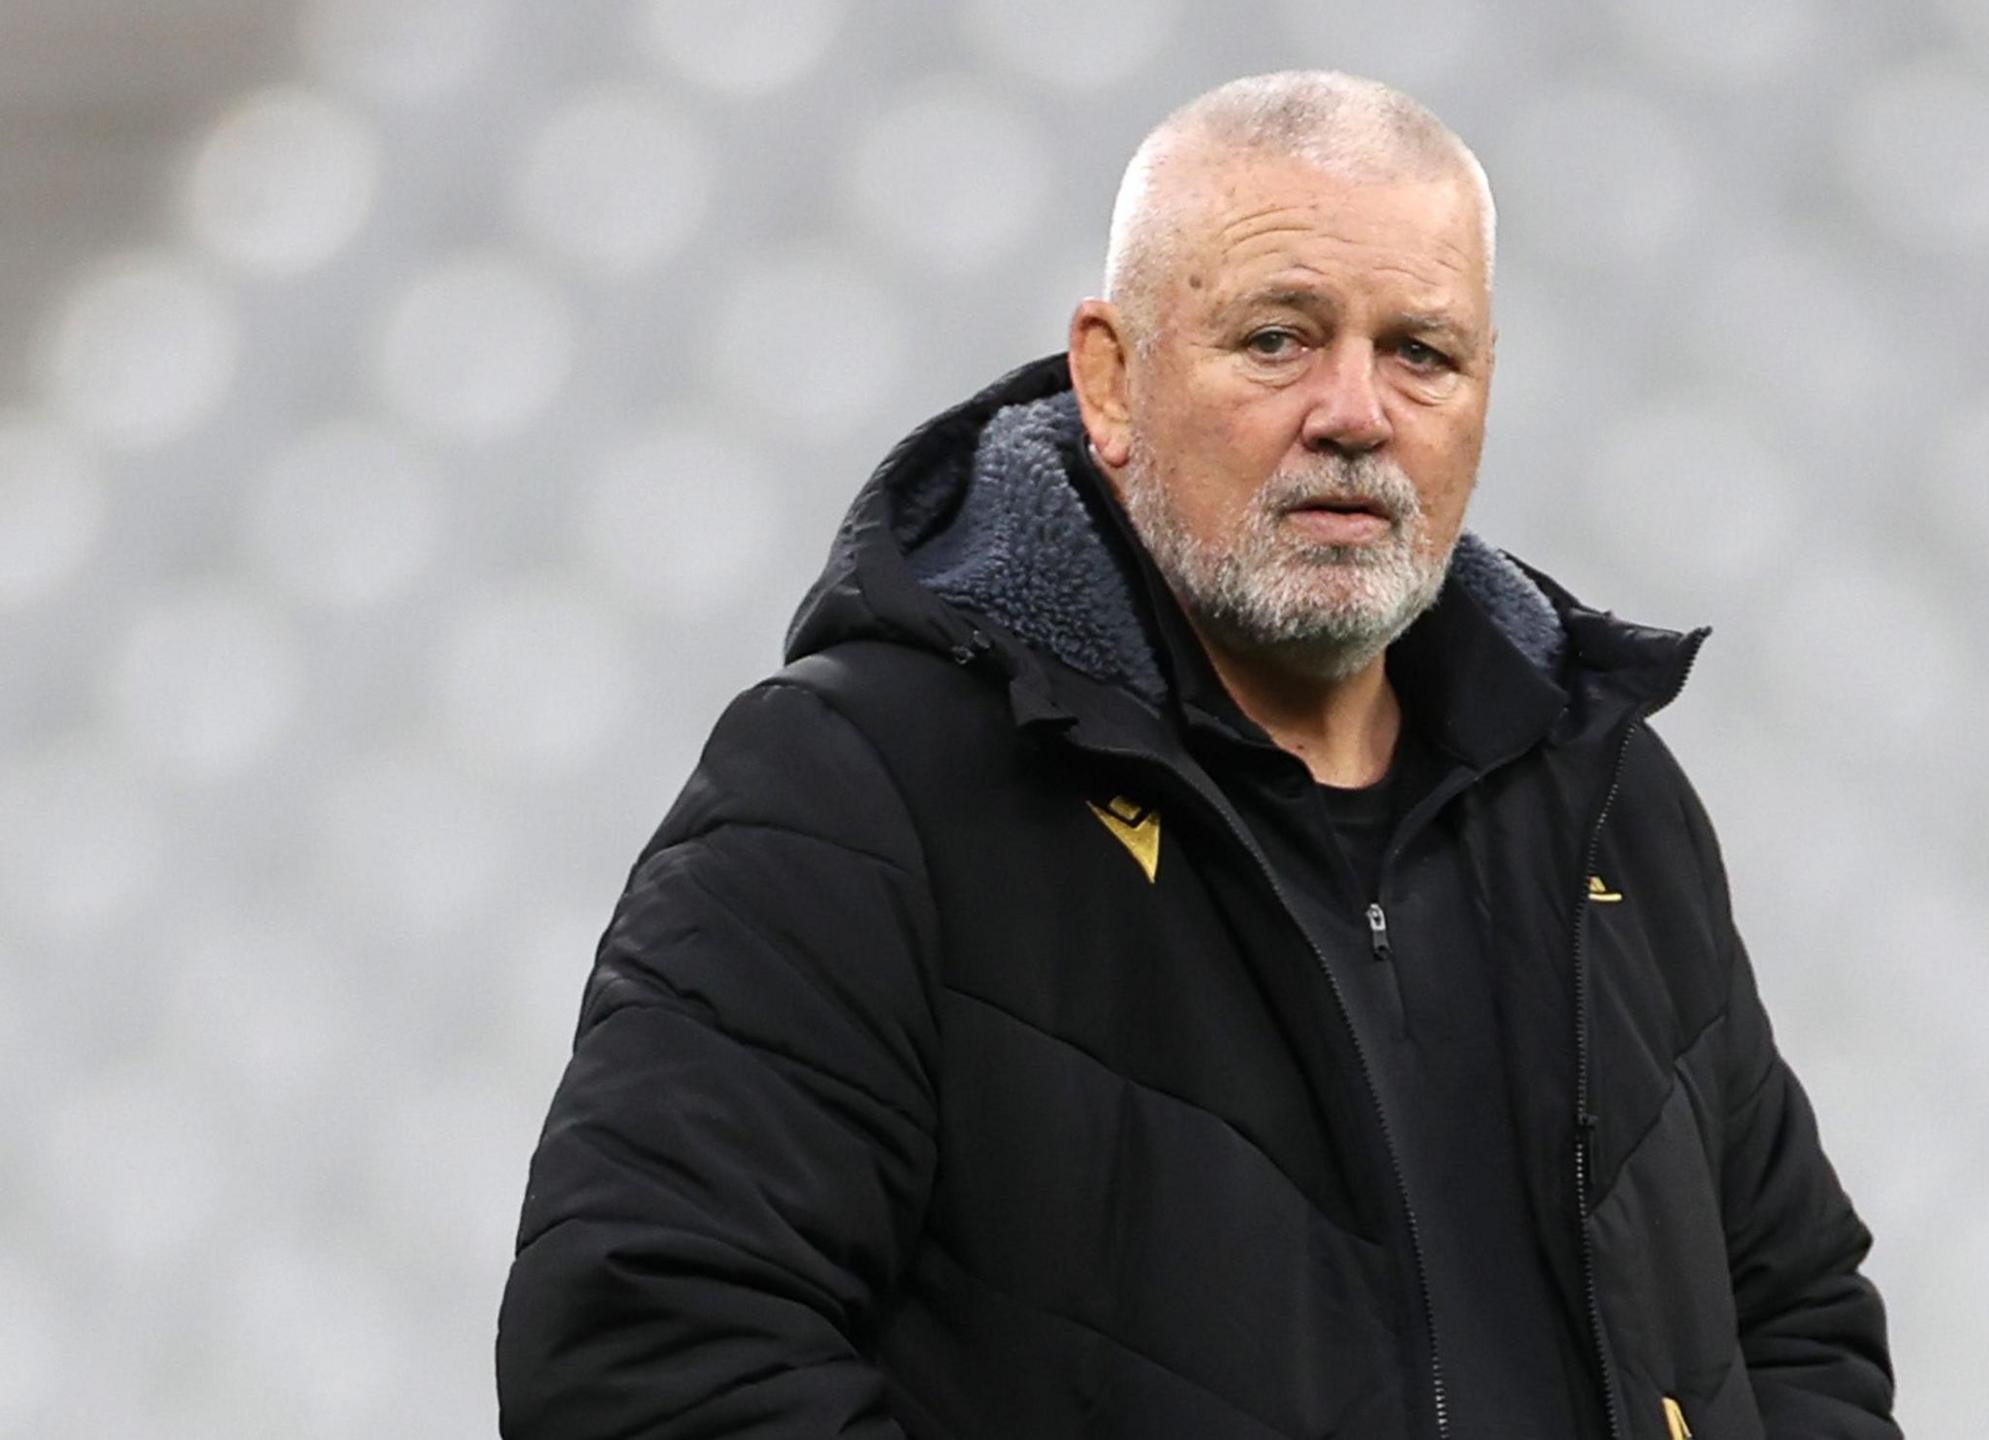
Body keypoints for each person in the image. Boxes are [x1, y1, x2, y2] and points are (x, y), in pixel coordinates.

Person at [498, 70, 1896, 1440]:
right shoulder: (859, 784)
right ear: (1110, 378)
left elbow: (1795, 1316)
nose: (1356, 413)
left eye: (1421, 352)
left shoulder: (1607, 807)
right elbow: (650, 1354)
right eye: (1279, 338)